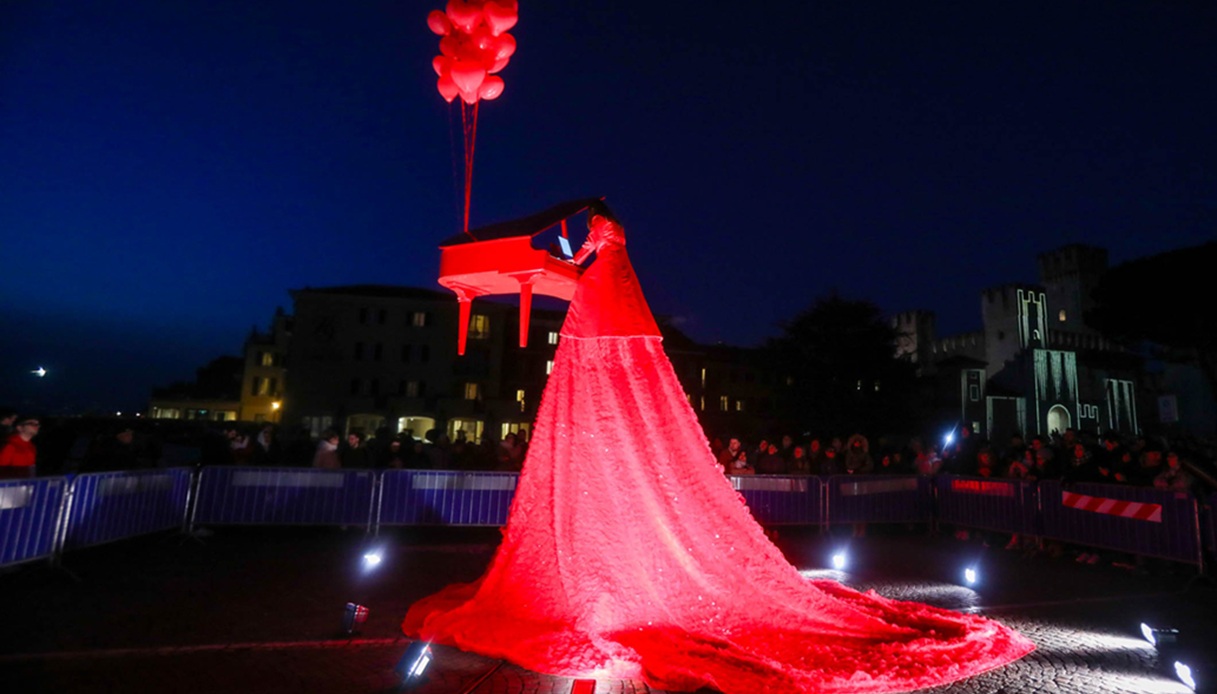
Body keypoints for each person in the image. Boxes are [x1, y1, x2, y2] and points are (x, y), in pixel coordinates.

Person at [402, 203, 1032, 692]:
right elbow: (580, 251)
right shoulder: (609, 242)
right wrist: (571, 252)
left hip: (602, 305)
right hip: (608, 303)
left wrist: (563, 251)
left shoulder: (602, 236)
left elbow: (575, 248)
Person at [0, 415, 39, 479]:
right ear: (19, 428)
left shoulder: (32, 446)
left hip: (26, 481)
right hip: (12, 482)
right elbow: (2, 467)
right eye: (31, 424)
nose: (36, 426)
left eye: (37, 424)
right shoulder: (10, 445)